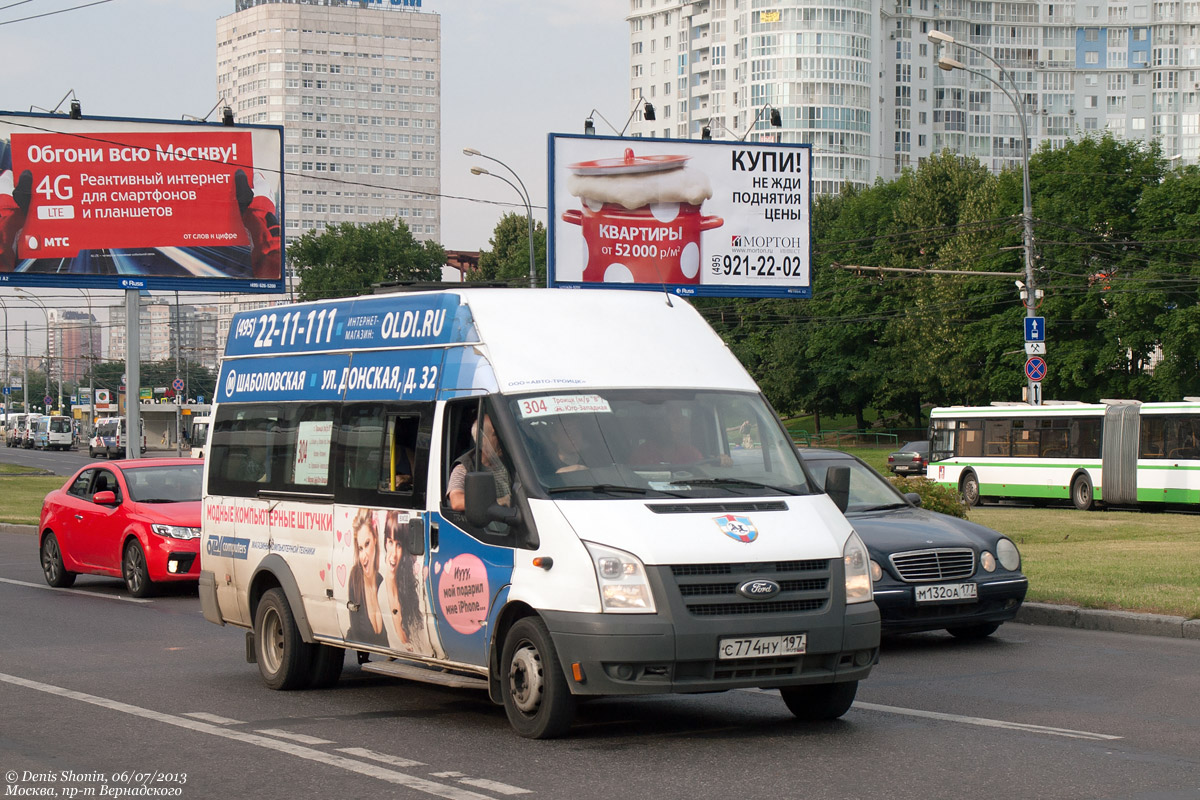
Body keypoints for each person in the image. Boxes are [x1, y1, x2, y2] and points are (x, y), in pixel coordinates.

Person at [446, 413, 511, 512]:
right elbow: (456, 502)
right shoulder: (464, 468)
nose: (501, 439)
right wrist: (499, 502)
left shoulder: (508, 462)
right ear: (482, 440)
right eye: (495, 435)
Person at [346, 508, 388, 646]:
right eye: (360, 548)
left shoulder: (382, 581)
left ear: (375, 540)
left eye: (367, 544)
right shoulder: (355, 578)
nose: (363, 556)